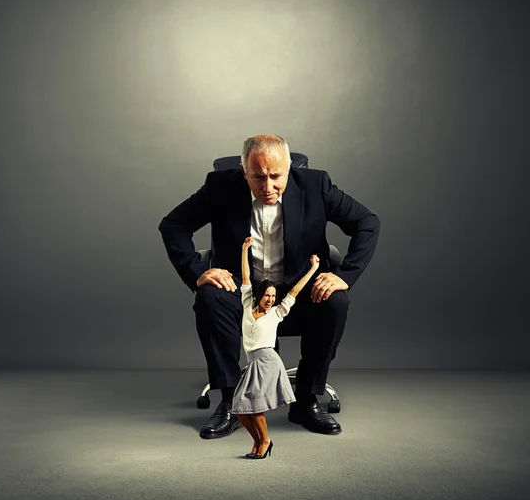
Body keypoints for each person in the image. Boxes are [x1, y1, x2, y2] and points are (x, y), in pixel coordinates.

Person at [159, 134, 380, 439]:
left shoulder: (317, 186)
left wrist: (346, 274)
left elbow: (367, 222)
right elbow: (173, 224)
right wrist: (196, 271)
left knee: (336, 301)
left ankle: (305, 401)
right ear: (242, 170)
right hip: (243, 295)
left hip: (297, 294)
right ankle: (232, 402)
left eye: (276, 176)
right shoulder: (220, 188)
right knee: (209, 296)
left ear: (290, 168)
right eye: (258, 177)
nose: (268, 187)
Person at [233, 237, 320, 459]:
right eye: (267, 295)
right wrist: (245, 250)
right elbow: (245, 276)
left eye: (273, 296)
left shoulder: (277, 313)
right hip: (252, 362)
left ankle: (264, 442)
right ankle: (260, 441)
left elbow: (296, 290)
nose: (270, 299)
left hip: (267, 361)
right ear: (260, 295)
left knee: (254, 407)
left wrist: (314, 268)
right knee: (240, 409)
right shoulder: (247, 304)